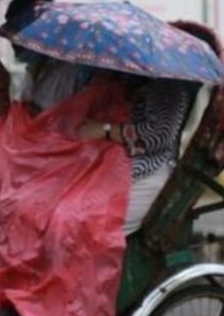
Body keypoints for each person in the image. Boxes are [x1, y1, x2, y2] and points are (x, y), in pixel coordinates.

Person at [77, 75, 199, 235]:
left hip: (149, 171)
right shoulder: (142, 82)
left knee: (84, 226)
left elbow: (158, 135)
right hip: (125, 170)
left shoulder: (168, 86)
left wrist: (105, 130)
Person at [0, 0, 86, 120]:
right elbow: (9, 132)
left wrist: (36, 116)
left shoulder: (71, 71)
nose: (14, 44)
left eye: (20, 39)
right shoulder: (34, 70)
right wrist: (1, 93)